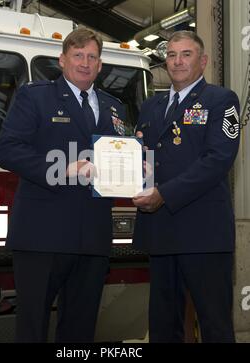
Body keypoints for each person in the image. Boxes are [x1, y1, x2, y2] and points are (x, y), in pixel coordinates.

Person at [0, 27, 125, 343]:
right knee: (33, 326)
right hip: (43, 236)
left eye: (91, 56)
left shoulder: (113, 106)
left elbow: (119, 156)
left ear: (100, 64)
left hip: (93, 236)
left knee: (81, 328)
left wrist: (139, 167)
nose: (85, 62)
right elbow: (7, 149)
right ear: (62, 60)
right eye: (77, 55)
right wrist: (61, 168)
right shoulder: (35, 96)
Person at [132, 30, 240, 343]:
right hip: (161, 231)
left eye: (186, 54)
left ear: (203, 61)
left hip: (203, 234)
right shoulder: (152, 106)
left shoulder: (221, 100)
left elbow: (217, 160)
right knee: (163, 326)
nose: (177, 61)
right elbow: (142, 157)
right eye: (171, 55)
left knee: (215, 325)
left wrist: (164, 194)